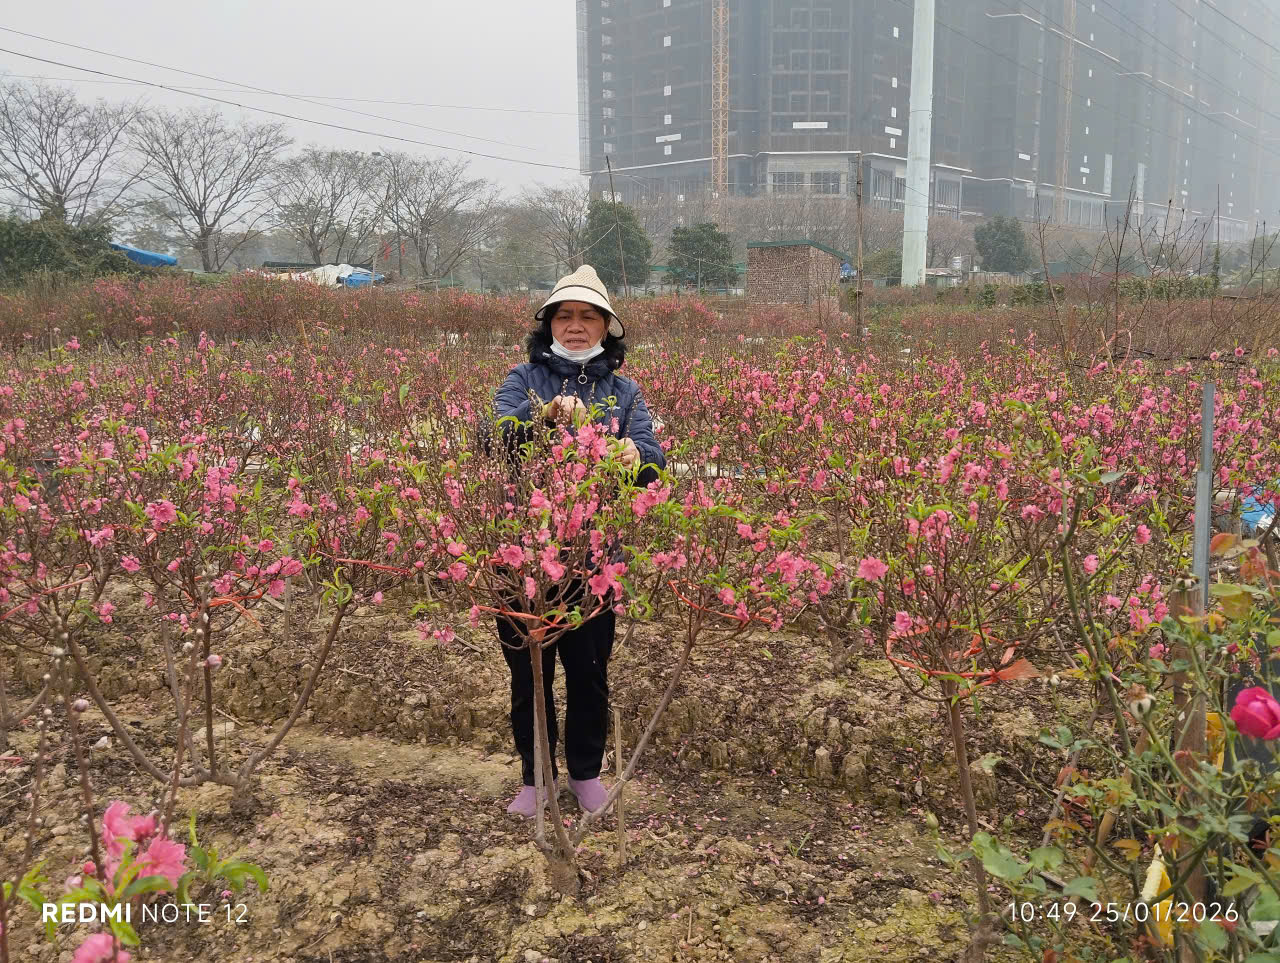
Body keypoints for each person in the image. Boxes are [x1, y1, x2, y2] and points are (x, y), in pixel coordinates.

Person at [489, 264, 665, 818]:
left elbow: (652, 463)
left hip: (595, 560)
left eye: (588, 316)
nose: (575, 325)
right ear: (548, 325)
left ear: (607, 327)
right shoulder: (521, 379)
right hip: (523, 556)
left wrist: (638, 458)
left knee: (589, 674)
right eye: (564, 315)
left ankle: (586, 773)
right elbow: (491, 440)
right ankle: (535, 776)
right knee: (529, 673)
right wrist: (537, 415)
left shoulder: (625, 392)